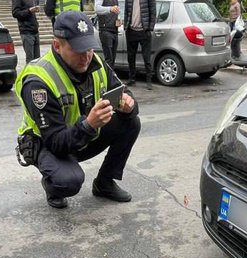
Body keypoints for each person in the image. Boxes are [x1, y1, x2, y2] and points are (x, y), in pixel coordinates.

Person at [15, 10, 141, 209]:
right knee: (68, 181)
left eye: (89, 48)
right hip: (48, 143)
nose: (86, 56)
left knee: (131, 122)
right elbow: (55, 142)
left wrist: (128, 106)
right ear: (57, 46)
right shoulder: (38, 82)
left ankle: (104, 182)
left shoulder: (96, 62)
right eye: (78, 49)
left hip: (81, 133)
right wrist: (89, 125)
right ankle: (52, 186)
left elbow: (124, 92)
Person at [123, 0, 156, 89]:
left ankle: (149, 81)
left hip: (144, 31)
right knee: (130, 57)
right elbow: (126, 12)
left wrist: (150, 28)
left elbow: (153, 12)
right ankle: (132, 79)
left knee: (147, 58)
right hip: (131, 31)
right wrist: (125, 27)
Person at [95, 0, 122, 69]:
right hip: (105, 31)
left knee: (112, 59)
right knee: (109, 59)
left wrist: (118, 20)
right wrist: (110, 9)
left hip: (115, 31)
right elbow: (96, 8)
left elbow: (116, 13)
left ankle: (110, 78)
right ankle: (107, 78)